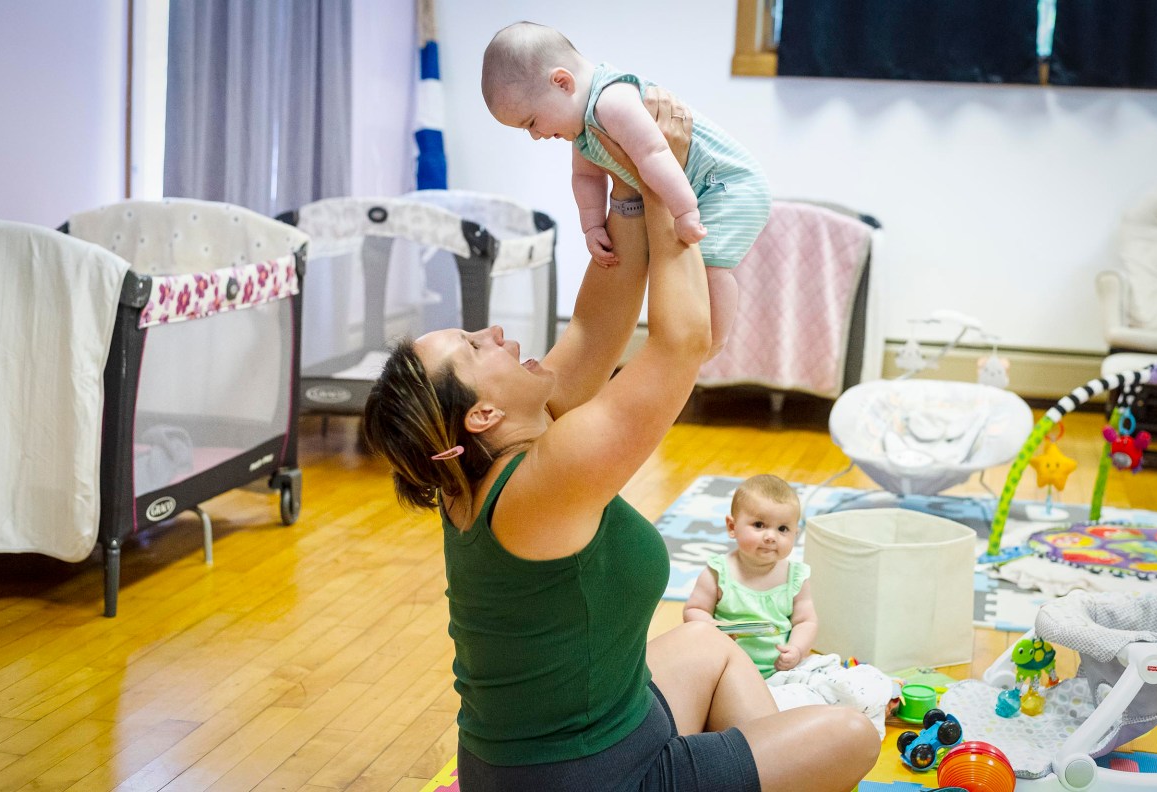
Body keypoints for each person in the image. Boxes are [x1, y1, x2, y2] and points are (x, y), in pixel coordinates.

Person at [365, 88, 877, 791]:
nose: (496, 333)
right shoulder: (546, 479)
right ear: (480, 415)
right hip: (586, 781)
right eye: (474, 345)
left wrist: (629, 183)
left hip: (572, 746)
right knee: (850, 736)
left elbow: (596, 326)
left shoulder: (498, 458)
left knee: (709, 644)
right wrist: (666, 178)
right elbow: (682, 342)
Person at [481, 21, 771, 357]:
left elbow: (656, 154)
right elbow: (586, 178)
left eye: (531, 122)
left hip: (727, 183)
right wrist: (591, 226)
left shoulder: (611, 101)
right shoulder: (583, 130)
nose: (535, 135)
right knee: (686, 266)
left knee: (710, 264)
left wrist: (686, 211)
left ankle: (714, 341)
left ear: (562, 82)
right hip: (700, 188)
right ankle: (700, 341)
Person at [683, 475, 816, 678]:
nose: (770, 536)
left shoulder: (795, 577)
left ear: (795, 535)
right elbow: (694, 609)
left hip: (780, 671)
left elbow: (806, 621)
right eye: (759, 525)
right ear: (731, 527)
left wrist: (796, 650)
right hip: (724, 671)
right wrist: (712, 627)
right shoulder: (718, 573)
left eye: (782, 529)